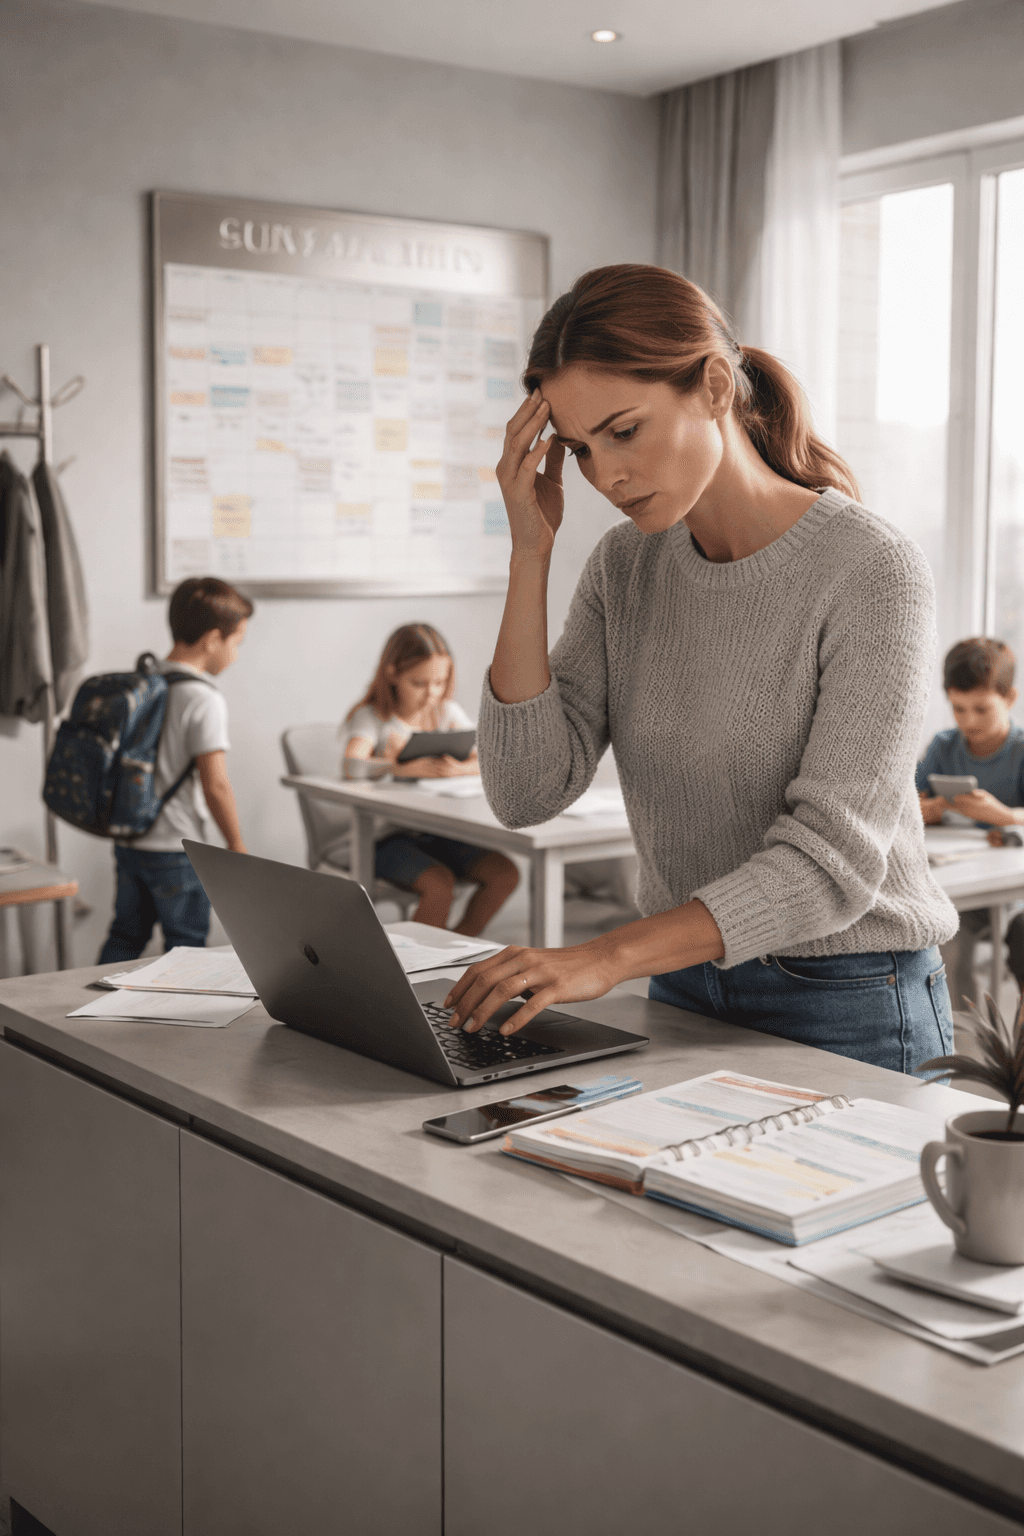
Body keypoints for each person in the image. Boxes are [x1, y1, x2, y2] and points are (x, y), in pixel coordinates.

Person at [443, 263, 958, 1073]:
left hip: (848, 997)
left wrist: (605, 956)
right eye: (578, 449)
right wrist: (529, 553)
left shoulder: (871, 569)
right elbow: (526, 790)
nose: (604, 474)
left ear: (714, 387)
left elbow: (832, 864)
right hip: (684, 987)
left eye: (623, 430)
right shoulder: (625, 568)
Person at [98, 577, 252, 964]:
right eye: (237, 643)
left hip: (130, 839)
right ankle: (179, 1023)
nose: (236, 656)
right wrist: (237, 847)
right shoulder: (203, 698)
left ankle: (88, 1011)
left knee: (125, 935)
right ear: (213, 639)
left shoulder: (146, 683)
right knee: (186, 946)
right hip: (176, 848)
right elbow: (215, 784)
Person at [341, 624, 519, 936]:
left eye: (440, 682)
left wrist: (456, 769)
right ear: (392, 673)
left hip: (441, 833)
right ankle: (417, 966)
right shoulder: (373, 716)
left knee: (504, 874)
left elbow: (492, 758)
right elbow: (352, 765)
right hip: (387, 838)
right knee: (439, 885)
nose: (432, 693)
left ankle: (455, 946)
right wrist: (397, 768)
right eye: (419, 683)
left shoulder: (445, 712)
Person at [918, 636, 1024, 1007]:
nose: (969, 721)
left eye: (981, 709)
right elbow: (909, 803)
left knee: (956, 937)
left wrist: (1007, 816)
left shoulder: (1020, 750)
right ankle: (954, 1040)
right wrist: (926, 809)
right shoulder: (944, 746)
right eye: (959, 709)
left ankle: (973, 1041)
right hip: (955, 879)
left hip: (1009, 892)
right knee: (945, 936)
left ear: (1009, 699)